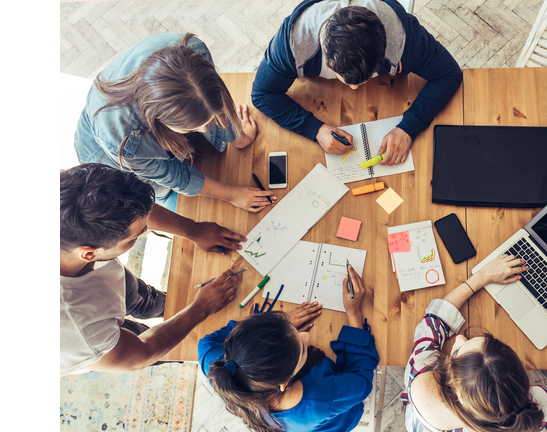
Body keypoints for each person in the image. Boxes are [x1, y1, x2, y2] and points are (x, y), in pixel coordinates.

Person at [60, 163, 255, 375]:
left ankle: (164, 307)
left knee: (144, 299)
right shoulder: (80, 329)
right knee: (171, 346)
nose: (146, 229)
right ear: (90, 254)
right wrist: (201, 308)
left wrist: (194, 230)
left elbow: (135, 213)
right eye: (138, 234)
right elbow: (141, 353)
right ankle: (182, 354)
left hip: (97, 284)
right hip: (90, 337)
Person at [75, 32, 274, 213]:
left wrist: (237, 137)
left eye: (206, 121)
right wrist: (233, 195)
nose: (205, 129)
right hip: (106, 154)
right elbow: (178, 178)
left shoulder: (194, 50)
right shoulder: (126, 142)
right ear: (159, 121)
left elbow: (207, 101)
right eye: (192, 127)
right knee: (166, 195)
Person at [251, 0, 462, 165]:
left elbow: (450, 74)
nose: (353, 88)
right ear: (326, 55)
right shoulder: (291, 44)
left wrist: (409, 127)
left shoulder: (408, 40)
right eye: (347, 80)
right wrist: (314, 128)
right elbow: (261, 94)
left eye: (367, 78)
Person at [402, 255, 547, 431]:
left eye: (458, 351)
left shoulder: (421, 373)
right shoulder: (533, 406)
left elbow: (434, 321)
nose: (459, 338)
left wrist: (481, 276)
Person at [198, 265, 378, 432]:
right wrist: (354, 313)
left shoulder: (219, 365)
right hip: (337, 416)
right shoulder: (320, 398)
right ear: (285, 382)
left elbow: (205, 343)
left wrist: (274, 331)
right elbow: (361, 380)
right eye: (303, 349)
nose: (306, 336)